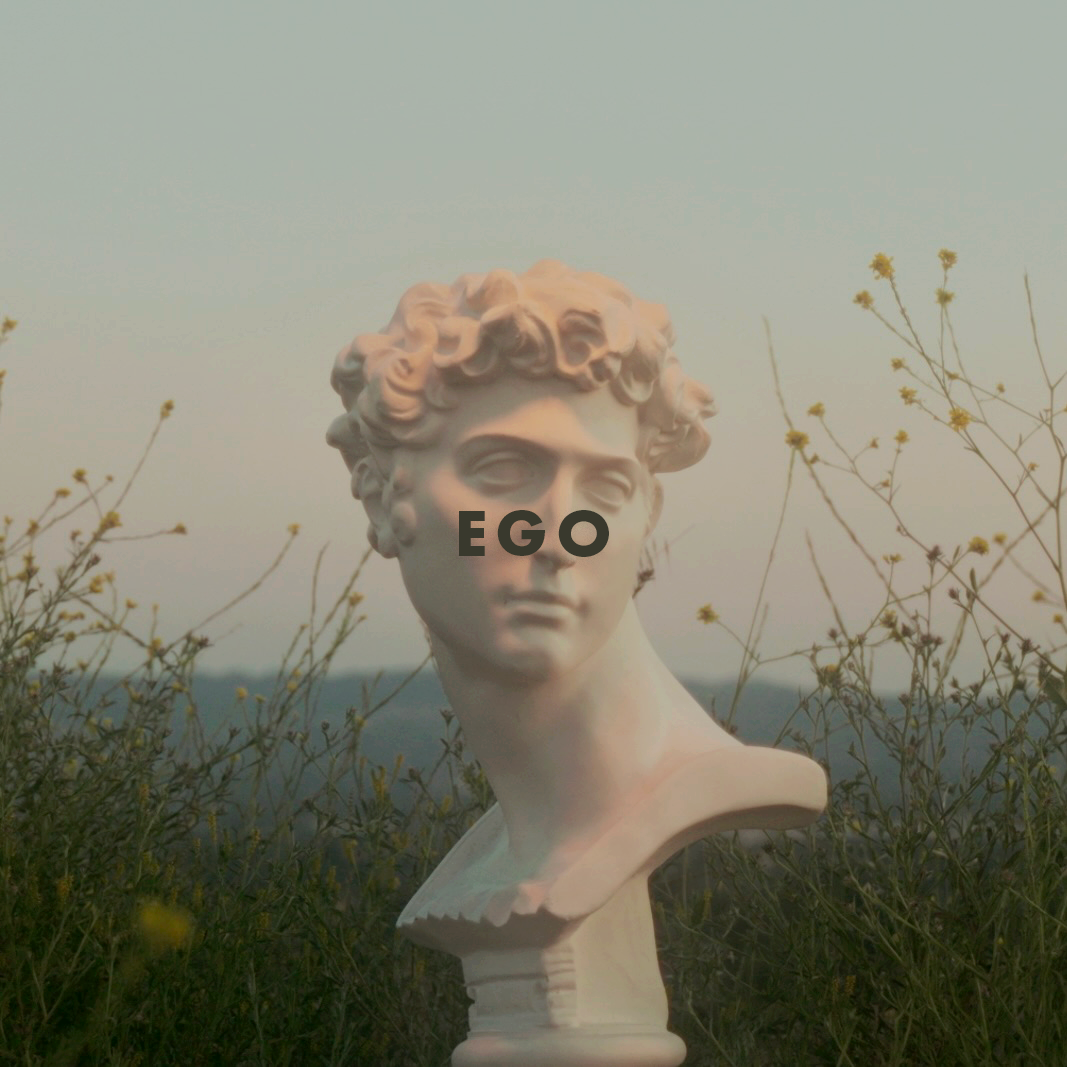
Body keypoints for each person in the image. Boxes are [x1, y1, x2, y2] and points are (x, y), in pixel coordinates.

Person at [327, 261, 826, 1058]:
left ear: (646, 513)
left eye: (604, 487)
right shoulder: (492, 855)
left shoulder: (690, 782)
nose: (557, 535)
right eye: (503, 471)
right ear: (384, 493)